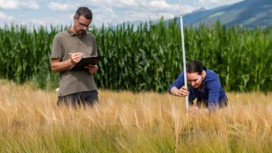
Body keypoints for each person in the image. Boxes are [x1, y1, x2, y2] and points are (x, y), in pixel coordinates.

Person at [51, 7, 99, 108]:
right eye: (81, 24)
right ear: (74, 18)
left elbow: (94, 62)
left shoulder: (92, 38)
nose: (84, 28)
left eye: (87, 26)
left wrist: (94, 68)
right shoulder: (59, 38)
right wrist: (71, 62)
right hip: (69, 92)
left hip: (90, 91)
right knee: (66, 124)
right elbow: (54, 67)